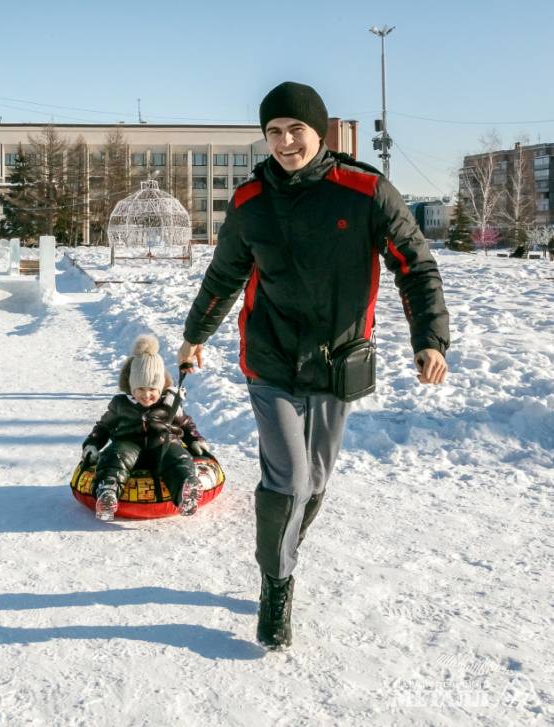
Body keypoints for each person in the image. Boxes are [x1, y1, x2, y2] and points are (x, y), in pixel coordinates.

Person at [177, 81, 450, 649]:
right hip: (270, 358)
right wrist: (194, 336)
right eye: (273, 131)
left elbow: (415, 265)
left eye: (294, 130)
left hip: (337, 360)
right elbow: (225, 274)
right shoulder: (251, 200)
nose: (283, 141)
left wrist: (430, 339)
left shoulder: (365, 191)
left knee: (317, 479)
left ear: (318, 131)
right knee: (290, 478)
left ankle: (283, 549)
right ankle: (277, 582)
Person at [83, 334, 209, 522]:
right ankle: (108, 491)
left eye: (152, 389)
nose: (146, 395)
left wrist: (195, 439)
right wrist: (92, 444)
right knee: (114, 456)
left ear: (160, 388)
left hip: (162, 444)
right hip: (128, 444)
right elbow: (104, 426)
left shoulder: (170, 403)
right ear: (131, 387)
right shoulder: (120, 404)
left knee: (178, 457)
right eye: (140, 389)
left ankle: (186, 490)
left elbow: (185, 423)